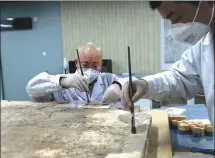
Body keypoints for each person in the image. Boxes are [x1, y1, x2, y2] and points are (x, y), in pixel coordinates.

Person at [121, 1, 215, 132]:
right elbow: (180, 78)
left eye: (176, 18)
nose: (176, 27)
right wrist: (146, 84)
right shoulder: (202, 47)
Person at [26, 43, 122, 104]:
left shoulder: (108, 79)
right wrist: (63, 82)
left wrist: (118, 86)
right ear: (76, 63)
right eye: (85, 64)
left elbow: (129, 81)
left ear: (101, 64)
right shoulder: (64, 81)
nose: (90, 69)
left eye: (95, 65)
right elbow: (31, 88)